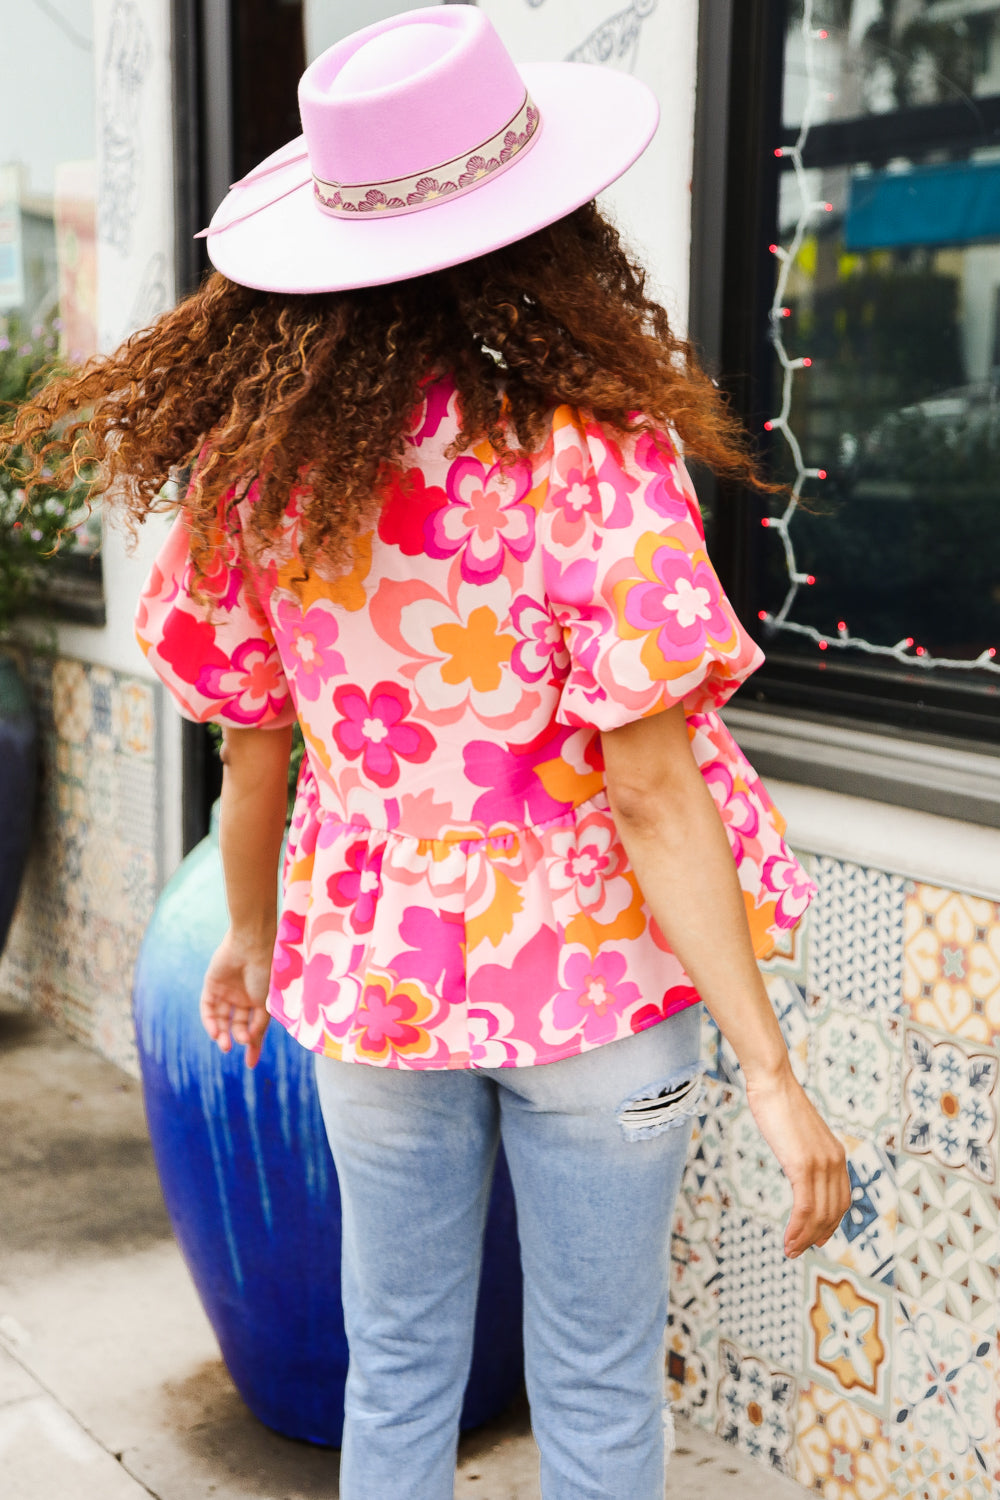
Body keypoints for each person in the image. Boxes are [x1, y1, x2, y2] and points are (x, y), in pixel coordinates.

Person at [7, 9, 850, 1498]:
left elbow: (252, 759)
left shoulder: (261, 485)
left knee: (394, 1365)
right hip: (597, 978)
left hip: (375, 976)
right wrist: (774, 1075)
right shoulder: (591, 454)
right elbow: (652, 789)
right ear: (543, 238)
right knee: (597, 1383)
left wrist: (252, 935)